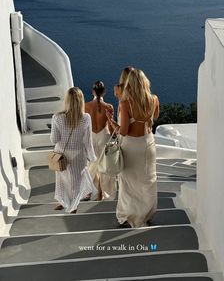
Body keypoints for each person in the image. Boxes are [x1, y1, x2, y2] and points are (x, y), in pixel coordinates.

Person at [107, 69, 159, 228]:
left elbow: (123, 131)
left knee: (128, 183)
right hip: (148, 144)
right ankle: (147, 214)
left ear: (129, 84)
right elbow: (154, 118)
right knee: (148, 180)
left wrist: (110, 119)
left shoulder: (125, 103)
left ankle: (129, 217)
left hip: (131, 147)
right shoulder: (154, 99)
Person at [50, 87, 97, 214]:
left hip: (61, 154)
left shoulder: (57, 117)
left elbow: (54, 140)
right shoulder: (86, 118)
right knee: (76, 181)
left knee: (61, 179)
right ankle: (73, 206)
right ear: (81, 101)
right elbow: (87, 140)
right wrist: (92, 157)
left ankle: (62, 201)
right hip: (78, 154)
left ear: (67, 100)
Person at [85, 81, 117, 201]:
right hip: (104, 137)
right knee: (103, 167)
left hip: (91, 138)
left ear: (93, 91)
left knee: (91, 166)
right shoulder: (109, 107)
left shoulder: (85, 106)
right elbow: (110, 124)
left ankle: (88, 192)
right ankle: (101, 194)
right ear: (104, 92)